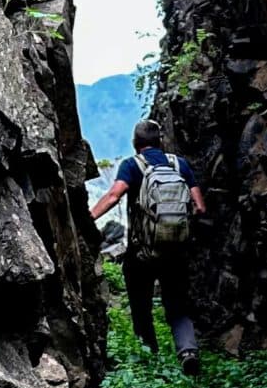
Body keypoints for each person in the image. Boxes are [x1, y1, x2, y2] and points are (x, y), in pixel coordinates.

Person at [88, 120, 206, 371]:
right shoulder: (179, 165)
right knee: (177, 305)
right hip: (176, 251)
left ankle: (150, 357)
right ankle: (187, 351)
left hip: (142, 252)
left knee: (140, 305)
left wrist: (86, 218)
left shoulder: (132, 165)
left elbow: (113, 195)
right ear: (160, 142)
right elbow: (199, 206)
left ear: (135, 144)